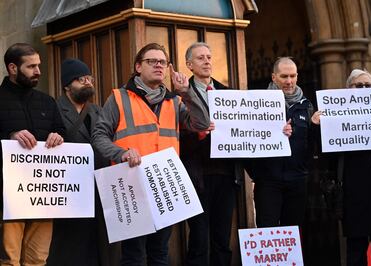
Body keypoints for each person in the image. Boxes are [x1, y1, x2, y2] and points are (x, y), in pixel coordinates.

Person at [92, 42, 210, 266]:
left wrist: (187, 93)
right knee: (133, 255)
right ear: (138, 67)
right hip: (130, 187)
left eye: (163, 62)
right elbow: (98, 136)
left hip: (163, 187)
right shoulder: (118, 98)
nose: (159, 65)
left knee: (159, 253)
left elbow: (202, 122)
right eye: (152, 61)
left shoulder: (175, 101)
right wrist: (121, 153)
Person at [311, 69, 371, 266]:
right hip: (356, 195)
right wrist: (317, 127)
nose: (365, 89)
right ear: (349, 88)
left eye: (369, 86)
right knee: (357, 251)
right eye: (359, 85)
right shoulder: (335, 117)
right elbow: (325, 155)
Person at [47, 58, 121, 266]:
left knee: (101, 244)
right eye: (81, 79)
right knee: (72, 244)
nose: (88, 83)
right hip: (70, 190)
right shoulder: (54, 109)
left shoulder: (100, 111)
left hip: (101, 186)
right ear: (67, 85)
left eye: (90, 78)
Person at [0, 43, 65, 266]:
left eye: (39, 65)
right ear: (12, 68)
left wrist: (58, 137)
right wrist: (11, 135)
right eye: (31, 66)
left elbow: (62, 132)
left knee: (38, 258)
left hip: (43, 193)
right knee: (9, 259)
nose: (38, 71)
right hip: (8, 196)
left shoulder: (47, 101)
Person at [180, 42, 243, 266]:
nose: (207, 61)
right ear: (189, 64)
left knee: (222, 238)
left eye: (208, 56)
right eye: (200, 58)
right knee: (199, 239)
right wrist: (198, 135)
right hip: (198, 176)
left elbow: (247, 131)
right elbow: (175, 137)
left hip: (226, 174)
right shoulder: (181, 96)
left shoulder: (229, 94)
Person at [246, 57, 313, 228]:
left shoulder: (307, 106)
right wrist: (258, 173)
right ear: (273, 77)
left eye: (292, 76)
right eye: (284, 76)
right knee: (268, 232)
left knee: (293, 234)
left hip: (297, 180)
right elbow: (246, 137)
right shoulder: (257, 105)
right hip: (268, 182)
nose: (289, 81)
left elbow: (312, 143)